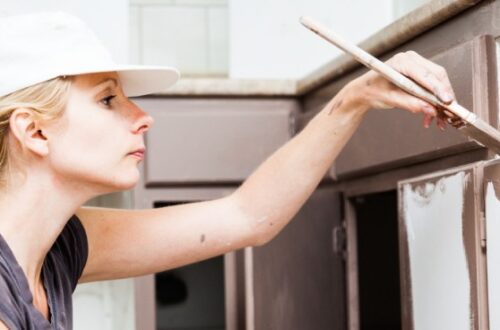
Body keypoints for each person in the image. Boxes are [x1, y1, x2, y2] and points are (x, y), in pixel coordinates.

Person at [0, 11, 456, 330]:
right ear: (35, 132)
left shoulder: (62, 246)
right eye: (107, 99)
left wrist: (358, 97)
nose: (142, 116)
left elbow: (246, 217)